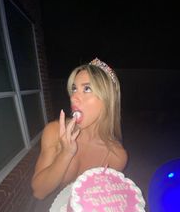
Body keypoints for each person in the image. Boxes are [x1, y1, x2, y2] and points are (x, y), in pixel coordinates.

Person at [31, 58, 128, 200]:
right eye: (74, 89)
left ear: (108, 99)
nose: (73, 97)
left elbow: (103, 203)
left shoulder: (117, 156)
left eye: (87, 89)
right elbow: (39, 192)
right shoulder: (54, 131)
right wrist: (65, 153)